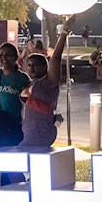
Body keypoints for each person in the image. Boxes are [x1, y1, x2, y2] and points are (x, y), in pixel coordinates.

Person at [19, 18, 72, 149]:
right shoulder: (31, 84)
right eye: (29, 65)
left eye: (36, 65)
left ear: (45, 67)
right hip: (27, 138)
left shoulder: (47, 84)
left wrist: (64, 33)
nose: (31, 68)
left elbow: (56, 58)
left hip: (40, 138)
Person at [0, 41, 30, 153]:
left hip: (10, 128)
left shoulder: (22, 78)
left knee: (8, 161)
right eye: (1, 55)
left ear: (15, 57)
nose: (4, 58)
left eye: (8, 55)